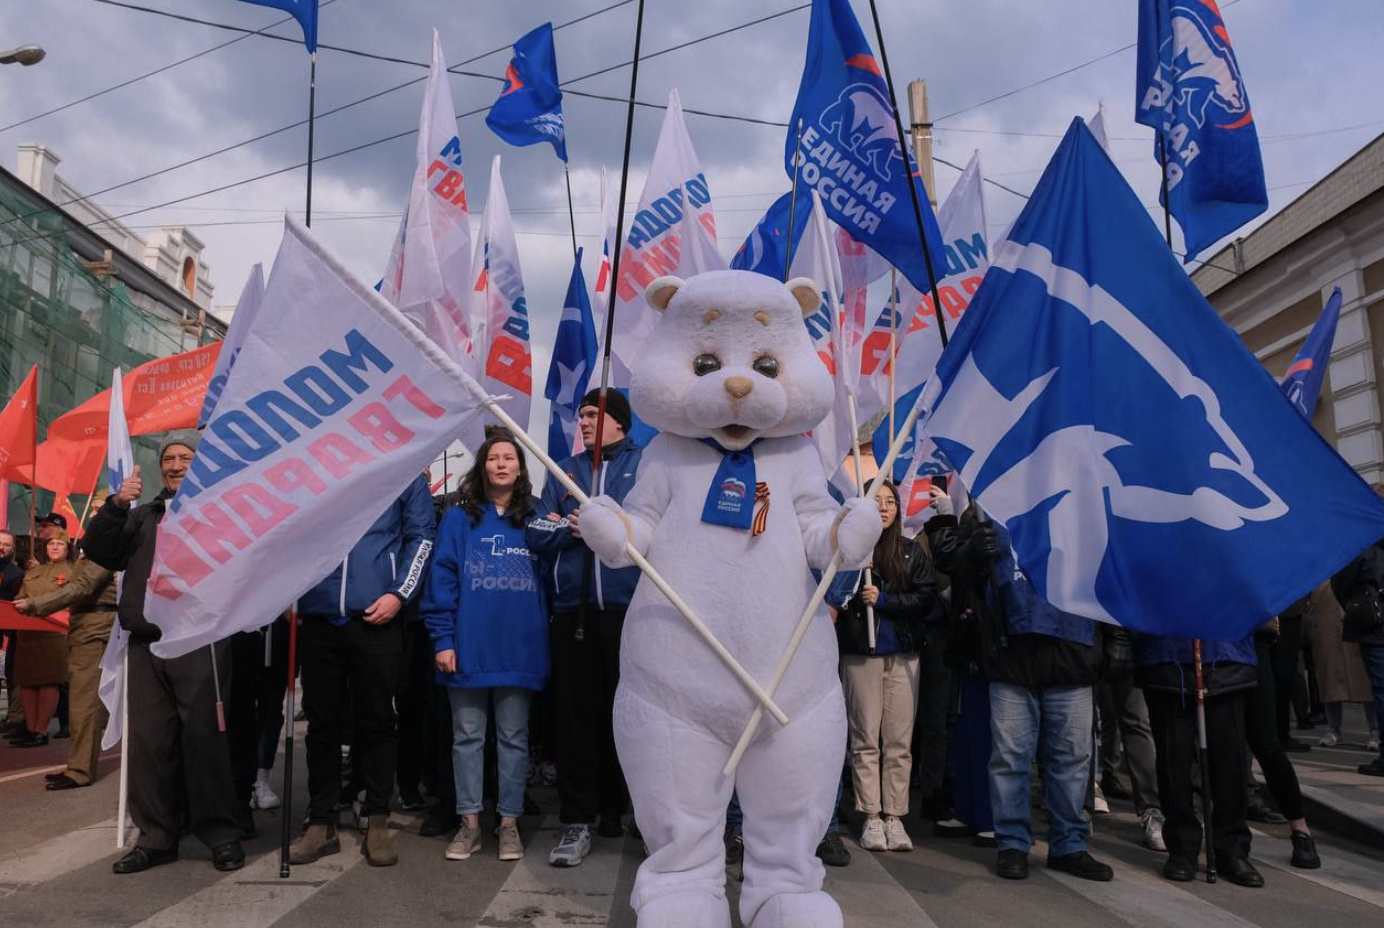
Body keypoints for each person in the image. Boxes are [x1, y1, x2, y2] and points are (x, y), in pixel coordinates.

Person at [85, 434, 247, 874]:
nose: (176, 465)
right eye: (169, 459)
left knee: (204, 741)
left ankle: (221, 834)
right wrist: (116, 505)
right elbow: (98, 549)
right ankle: (156, 837)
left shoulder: (221, 511)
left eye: (185, 458)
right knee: (150, 746)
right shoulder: (141, 517)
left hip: (199, 641)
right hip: (146, 642)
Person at [946, 510, 1113, 882]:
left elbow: (1112, 576)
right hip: (1011, 658)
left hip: (1072, 654)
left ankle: (1069, 845)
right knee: (1009, 759)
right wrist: (972, 554)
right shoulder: (992, 506)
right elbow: (958, 578)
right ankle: (1013, 843)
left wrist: (1117, 641)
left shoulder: (1084, 505)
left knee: (1071, 760)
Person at [289, 471, 436, 868]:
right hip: (320, 616)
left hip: (377, 617)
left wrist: (399, 594)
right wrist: (289, 589)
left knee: (376, 721)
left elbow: (420, 537)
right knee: (322, 724)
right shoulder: (321, 463)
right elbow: (291, 531)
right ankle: (320, 821)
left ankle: (376, 817)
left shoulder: (405, 466)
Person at [527, 389, 642, 867]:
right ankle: (578, 819)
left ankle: (626, 809)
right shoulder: (564, 469)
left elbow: (652, 528)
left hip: (631, 616)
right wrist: (577, 529)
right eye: (583, 415)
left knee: (632, 720)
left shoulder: (645, 468)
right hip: (572, 617)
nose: (586, 422)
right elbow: (536, 529)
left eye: (595, 415)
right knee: (576, 719)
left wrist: (614, 524)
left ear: (619, 421)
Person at [422, 429, 549, 863]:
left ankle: (509, 824)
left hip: (520, 648)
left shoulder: (535, 515)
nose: (500, 464)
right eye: (493, 457)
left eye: (508, 458)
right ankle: (470, 824)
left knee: (514, 739)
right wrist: (443, 638)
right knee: (467, 738)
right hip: (467, 647)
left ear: (520, 467)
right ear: (482, 466)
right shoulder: (459, 517)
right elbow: (442, 578)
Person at [833, 480, 943, 852]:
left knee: (899, 740)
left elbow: (925, 599)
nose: (884, 507)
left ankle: (895, 816)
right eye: (876, 501)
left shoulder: (911, 552)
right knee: (865, 738)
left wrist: (885, 601)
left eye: (890, 501)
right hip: (862, 654)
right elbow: (836, 597)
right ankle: (870, 815)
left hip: (904, 655)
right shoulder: (852, 552)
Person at [1136, 631, 1263, 887]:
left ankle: (1232, 848)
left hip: (1225, 653)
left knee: (1230, 762)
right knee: (1175, 760)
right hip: (1168, 655)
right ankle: (1182, 848)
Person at [13, 530, 117, 787]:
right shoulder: (96, 550)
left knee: (85, 702)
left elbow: (82, 587)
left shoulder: (106, 550)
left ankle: (80, 770)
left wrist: (35, 604)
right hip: (84, 625)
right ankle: (78, 766)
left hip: (95, 627)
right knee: (82, 701)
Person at [1243, 619, 1321, 868]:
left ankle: (1300, 829)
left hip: (1254, 640)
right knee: (1224, 745)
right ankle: (1228, 836)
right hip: (1213, 645)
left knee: (1266, 742)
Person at [6, 533, 74, 747]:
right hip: (28, 633)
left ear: (67, 548)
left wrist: (32, 604)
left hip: (54, 634)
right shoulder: (33, 571)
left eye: (59, 544)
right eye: (51, 543)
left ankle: (41, 731)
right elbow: (19, 597)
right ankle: (31, 728)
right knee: (26, 681)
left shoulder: (73, 571)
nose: (54, 547)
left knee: (47, 682)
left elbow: (69, 600)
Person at [1330, 533, 1384, 777]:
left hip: (1374, 625)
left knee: (1381, 689)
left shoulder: (1364, 542)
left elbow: (1343, 579)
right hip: (1374, 623)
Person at [1306, 582, 1380, 749]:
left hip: (1357, 607)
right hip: (1325, 609)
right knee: (1328, 674)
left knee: (1365, 677)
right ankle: (1333, 728)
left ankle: (1376, 730)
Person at [0, 530, 26, 736]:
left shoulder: (16, 574)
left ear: (12, 549)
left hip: (6, 630)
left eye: (6, 545)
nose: (2, 547)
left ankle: (16, 717)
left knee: (13, 673)